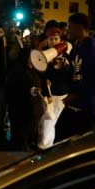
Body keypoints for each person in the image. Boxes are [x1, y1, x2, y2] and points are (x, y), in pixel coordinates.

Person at [56, 12, 95, 140]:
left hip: (87, 109)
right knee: (60, 137)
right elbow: (76, 72)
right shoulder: (77, 46)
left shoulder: (92, 47)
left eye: (70, 26)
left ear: (79, 27)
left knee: (85, 143)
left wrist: (76, 95)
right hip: (75, 105)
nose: (68, 30)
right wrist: (65, 67)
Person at [36, 21, 72, 149]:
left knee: (56, 123)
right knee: (47, 122)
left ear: (60, 40)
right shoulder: (43, 55)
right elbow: (41, 75)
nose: (54, 41)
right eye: (51, 39)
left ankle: (53, 147)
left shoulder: (67, 56)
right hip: (50, 95)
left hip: (63, 95)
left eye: (56, 39)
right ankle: (44, 147)